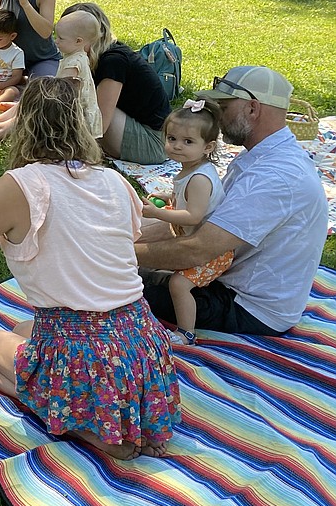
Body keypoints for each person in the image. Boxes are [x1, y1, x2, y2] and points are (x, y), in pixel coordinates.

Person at [0, 77, 180, 459]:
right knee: (22, 329)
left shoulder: (21, 185)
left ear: (24, 122)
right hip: (142, 345)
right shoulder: (116, 182)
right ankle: (128, 420)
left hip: (85, 354)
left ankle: (97, 432)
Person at [137, 66, 328, 336]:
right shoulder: (259, 156)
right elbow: (201, 221)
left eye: (223, 107)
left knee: (112, 284)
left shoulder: (275, 176)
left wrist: (115, 253)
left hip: (247, 308)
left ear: (252, 109)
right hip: (228, 279)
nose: (215, 117)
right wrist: (129, 239)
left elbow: (198, 249)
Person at [140, 99, 227, 344]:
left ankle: (186, 333)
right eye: (172, 139)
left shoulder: (199, 178)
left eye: (188, 142)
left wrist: (157, 213)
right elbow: (188, 200)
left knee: (178, 284)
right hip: (191, 236)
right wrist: (169, 196)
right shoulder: (190, 169)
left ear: (208, 147)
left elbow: (193, 216)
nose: (177, 146)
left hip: (212, 251)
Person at [58, 2, 170, 163]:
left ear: (81, 39)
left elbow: (99, 124)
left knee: (84, 103)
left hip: (154, 143)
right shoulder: (87, 57)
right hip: (134, 127)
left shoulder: (113, 61)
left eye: (63, 37)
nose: (59, 42)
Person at [0, 9, 101, 142]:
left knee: (34, 107)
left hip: (74, 118)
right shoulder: (73, 56)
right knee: (29, 99)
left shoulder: (75, 62)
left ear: (78, 41)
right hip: (65, 108)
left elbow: (60, 90)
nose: (56, 41)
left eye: (60, 38)